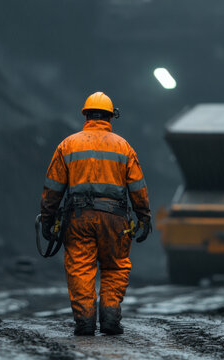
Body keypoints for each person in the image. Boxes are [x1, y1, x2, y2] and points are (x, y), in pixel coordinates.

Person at [40, 91, 151, 336]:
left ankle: (85, 322)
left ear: (86, 115)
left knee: (80, 267)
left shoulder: (68, 144)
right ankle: (110, 319)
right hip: (116, 219)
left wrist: (47, 219)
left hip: (78, 218)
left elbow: (53, 188)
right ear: (111, 117)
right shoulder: (124, 147)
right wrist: (144, 216)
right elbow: (137, 187)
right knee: (115, 267)